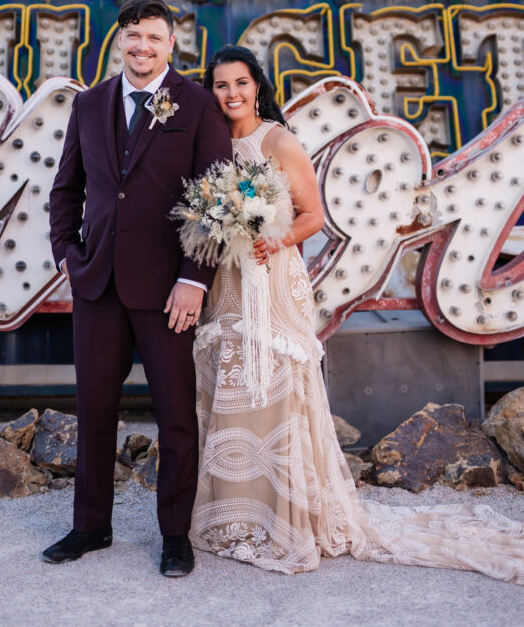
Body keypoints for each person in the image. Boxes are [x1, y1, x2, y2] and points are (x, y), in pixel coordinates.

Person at [190, 44, 524, 584]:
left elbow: (312, 216)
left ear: (258, 86)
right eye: (221, 85)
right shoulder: (210, 143)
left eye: (241, 83)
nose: (231, 94)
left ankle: (286, 517)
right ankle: (233, 514)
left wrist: (270, 242)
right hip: (227, 281)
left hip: (273, 278)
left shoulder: (279, 140)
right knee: (232, 384)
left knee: (274, 388)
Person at [45, 0, 232, 575]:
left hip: (168, 289)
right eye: (132, 36)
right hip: (96, 285)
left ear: (170, 44)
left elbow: (218, 200)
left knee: (176, 415)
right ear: (118, 40)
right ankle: (89, 527)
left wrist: (193, 279)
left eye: (153, 37)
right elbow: (66, 190)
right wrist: (70, 257)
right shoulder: (90, 103)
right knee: (94, 410)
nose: (141, 46)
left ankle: (175, 536)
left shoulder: (197, 104)